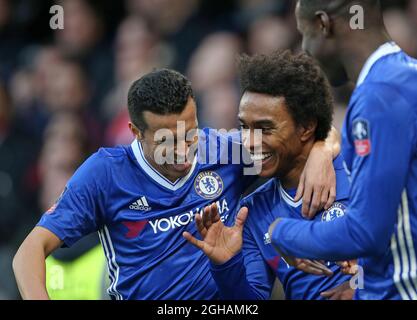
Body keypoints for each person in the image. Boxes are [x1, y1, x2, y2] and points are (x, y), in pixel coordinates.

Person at [13, 69, 338, 300]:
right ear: (135, 131)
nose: (184, 150)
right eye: (167, 140)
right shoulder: (105, 174)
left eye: (190, 133)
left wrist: (323, 151)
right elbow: (29, 252)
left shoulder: (224, 151)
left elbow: (305, 135)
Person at [269, 0, 417, 300]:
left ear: (324, 24)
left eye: (304, 33)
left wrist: (281, 233)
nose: (305, 50)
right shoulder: (404, 77)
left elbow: (365, 232)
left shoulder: (378, 95)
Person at [183, 50, 353, 300]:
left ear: (306, 127)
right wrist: (226, 264)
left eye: (264, 128)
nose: (249, 143)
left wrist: (363, 286)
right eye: (243, 127)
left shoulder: (356, 169)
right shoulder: (251, 212)